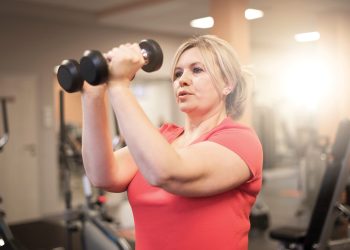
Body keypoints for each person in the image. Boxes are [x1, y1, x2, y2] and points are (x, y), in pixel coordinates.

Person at [81, 35, 263, 250]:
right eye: (178, 73)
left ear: (227, 84)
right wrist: (93, 95)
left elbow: (166, 172)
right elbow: (102, 175)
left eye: (197, 70)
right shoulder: (162, 139)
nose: (182, 80)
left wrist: (120, 86)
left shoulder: (240, 140)